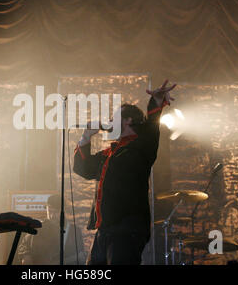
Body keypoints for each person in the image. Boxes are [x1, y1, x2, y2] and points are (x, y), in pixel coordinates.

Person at [73, 79, 176, 265]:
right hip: (104, 230)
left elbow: (151, 127)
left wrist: (157, 102)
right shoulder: (110, 153)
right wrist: (86, 137)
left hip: (127, 228)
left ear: (129, 120)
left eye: (115, 117)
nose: (110, 121)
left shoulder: (141, 146)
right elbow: (85, 169)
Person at [17, 193, 87, 265]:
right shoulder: (39, 227)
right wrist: (26, 256)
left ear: (64, 211)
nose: (52, 216)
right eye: (50, 211)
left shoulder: (74, 231)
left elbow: (81, 256)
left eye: (56, 212)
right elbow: (24, 245)